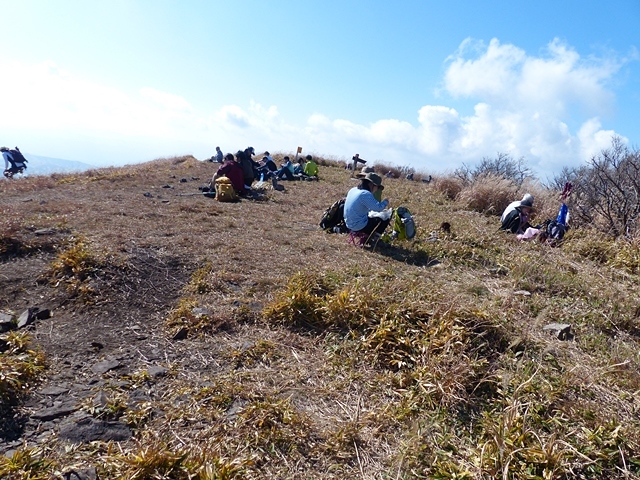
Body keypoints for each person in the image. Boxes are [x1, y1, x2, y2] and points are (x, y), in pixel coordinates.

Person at [344, 172, 391, 239]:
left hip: (348, 224)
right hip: (358, 226)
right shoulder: (366, 194)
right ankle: (375, 239)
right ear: (371, 184)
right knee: (385, 218)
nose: (377, 190)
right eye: (377, 187)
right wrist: (385, 202)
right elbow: (378, 208)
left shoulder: (353, 190)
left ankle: (365, 235)